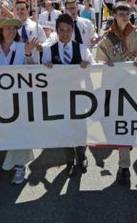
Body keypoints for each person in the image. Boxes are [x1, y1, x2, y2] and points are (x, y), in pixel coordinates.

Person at [96, 2, 137, 185]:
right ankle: (124, 161)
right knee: (118, 125)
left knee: (129, 125)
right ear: (114, 15)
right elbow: (99, 63)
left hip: (133, 87)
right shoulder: (107, 38)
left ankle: (125, 161)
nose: (125, 17)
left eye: (128, 13)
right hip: (113, 88)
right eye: (121, 13)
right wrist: (106, 65)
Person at [0, 18, 39, 185]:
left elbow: (33, 71)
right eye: (8, 28)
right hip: (0, 98)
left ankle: (20, 165)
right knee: (7, 130)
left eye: (14, 29)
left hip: (20, 98)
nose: (11, 31)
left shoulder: (23, 47)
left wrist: (29, 54)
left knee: (20, 130)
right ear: (1, 31)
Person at [41, 14, 94, 177]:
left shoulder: (82, 49)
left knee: (80, 127)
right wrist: (47, 68)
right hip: (59, 96)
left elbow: (95, 69)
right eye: (61, 30)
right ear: (56, 31)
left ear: (72, 30)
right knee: (64, 128)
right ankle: (69, 159)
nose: (65, 33)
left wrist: (88, 66)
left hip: (79, 95)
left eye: (68, 30)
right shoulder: (49, 51)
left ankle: (82, 155)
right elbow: (43, 76)